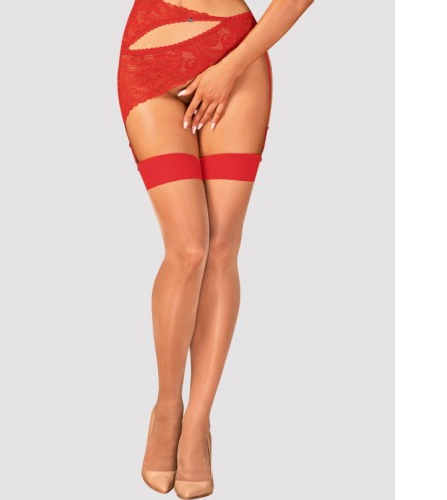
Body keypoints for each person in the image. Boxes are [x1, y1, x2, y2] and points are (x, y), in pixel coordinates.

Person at [117, 0, 314, 497]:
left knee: (221, 246)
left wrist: (229, 68)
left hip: (237, 57)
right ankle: (167, 408)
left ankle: (198, 426)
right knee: (188, 249)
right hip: (150, 54)